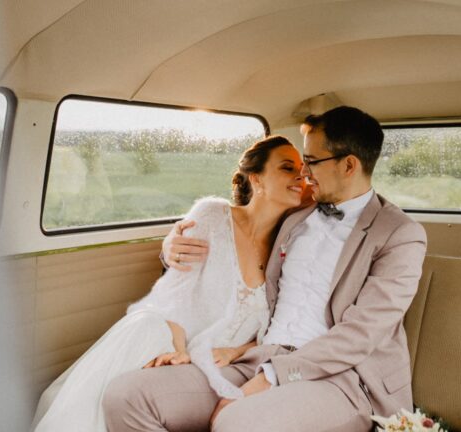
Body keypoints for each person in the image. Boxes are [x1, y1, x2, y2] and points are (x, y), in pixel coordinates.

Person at [102, 106, 428, 432]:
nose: (304, 174)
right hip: (259, 357)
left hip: (342, 378)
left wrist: (275, 375)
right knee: (127, 395)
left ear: (349, 165)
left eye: (312, 162)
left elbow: (362, 335)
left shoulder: (399, 234)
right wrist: (171, 244)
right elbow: (237, 229)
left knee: (238, 423)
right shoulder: (296, 216)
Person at [30, 135, 305, 432]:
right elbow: (173, 295)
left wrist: (234, 353)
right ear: (257, 179)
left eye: (304, 169)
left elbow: (281, 325)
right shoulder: (213, 216)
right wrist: (180, 352)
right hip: (159, 336)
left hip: (216, 361)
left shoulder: (289, 245)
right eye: (288, 168)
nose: (300, 176)